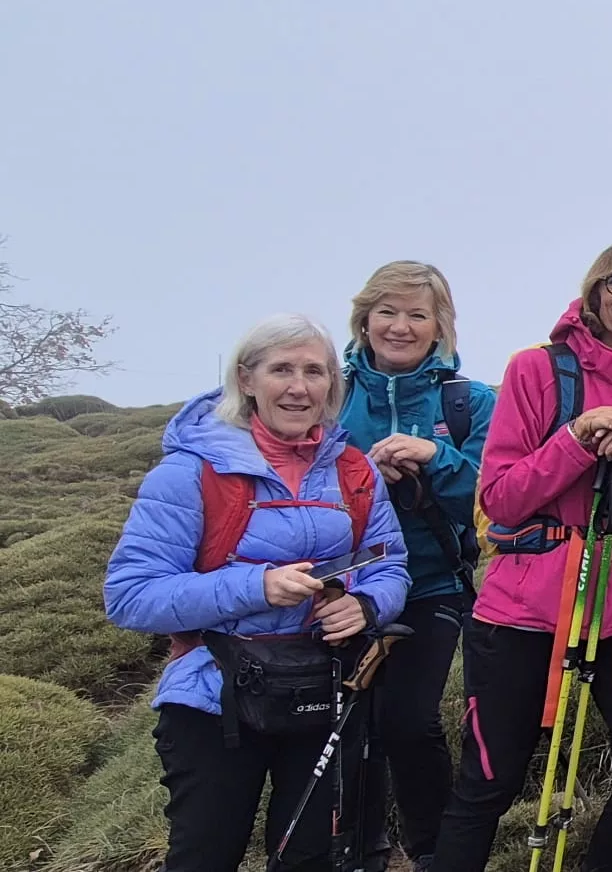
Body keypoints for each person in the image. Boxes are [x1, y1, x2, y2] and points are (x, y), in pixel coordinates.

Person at [104, 313, 411, 872]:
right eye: (282, 370)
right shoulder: (189, 473)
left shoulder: (354, 470)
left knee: (310, 857)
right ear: (245, 380)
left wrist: (365, 604)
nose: (300, 387)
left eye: (315, 371)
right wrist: (256, 586)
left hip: (325, 688)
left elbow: (390, 564)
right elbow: (130, 595)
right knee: (204, 855)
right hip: (213, 697)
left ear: (332, 385)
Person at [429, 241, 612, 872]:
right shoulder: (535, 370)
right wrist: (578, 438)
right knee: (489, 782)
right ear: (595, 291)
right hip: (524, 608)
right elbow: (500, 500)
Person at [338, 260, 494, 872]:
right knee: (351, 723)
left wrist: (437, 455)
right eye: (387, 312)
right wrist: (361, 478)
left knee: (408, 719)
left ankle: (434, 850)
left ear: (440, 327)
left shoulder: (469, 403)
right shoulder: (331, 397)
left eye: (417, 315)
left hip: (433, 586)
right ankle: (360, 848)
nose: (400, 326)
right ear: (364, 319)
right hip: (339, 590)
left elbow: (495, 499)